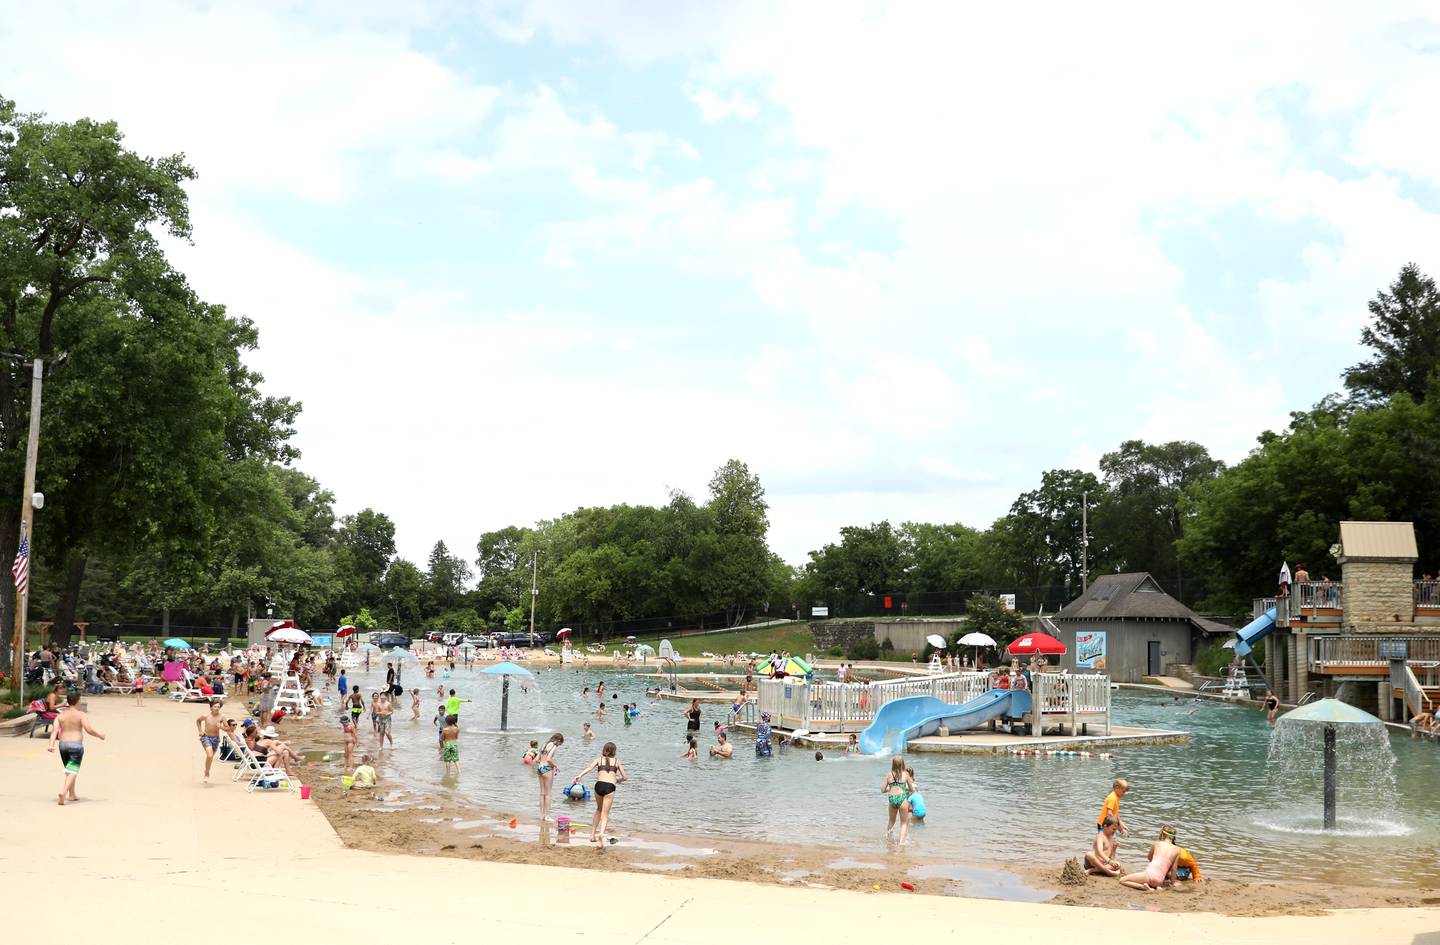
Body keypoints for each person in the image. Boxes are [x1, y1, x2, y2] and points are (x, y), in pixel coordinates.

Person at [48, 691, 104, 806]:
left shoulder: (60, 716)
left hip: (63, 745)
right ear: (78, 702)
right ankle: (63, 792)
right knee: (73, 770)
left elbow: (54, 732)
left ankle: (72, 794)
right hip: (75, 745)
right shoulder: (81, 715)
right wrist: (100, 735)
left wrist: (51, 745)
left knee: (70, 769)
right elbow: (89, 729)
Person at [572, 741, 628, 846]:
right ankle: (601, 833)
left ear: (604, 750)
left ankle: (592, 835)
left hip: (599, 785)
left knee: (598, 810)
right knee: (605, 814)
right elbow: (625, 777)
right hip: (610, 787)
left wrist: (579, 775)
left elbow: (589, 768)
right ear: (614, 752)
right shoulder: (616, 761)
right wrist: (617, 780)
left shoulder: (599, 759)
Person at [1119, 826, 1181, 891]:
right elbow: (1174, 869)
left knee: (1122, 880)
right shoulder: (1177, 849)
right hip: (1160, 880)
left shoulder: (1157, 844)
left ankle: (1143, 887)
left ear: (1163, 834)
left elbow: (1149, 857)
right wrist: (1173, 882)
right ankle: (1157, 887)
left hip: (1149, 875)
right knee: (1153, 880)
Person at [882, 755, 916, 845]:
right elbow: (912, 790)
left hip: (892, 798)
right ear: (902, 764)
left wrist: (891, 788)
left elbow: (882, 790)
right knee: (904, 823)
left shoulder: (889, 775)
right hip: (902, 798)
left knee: (891, 821)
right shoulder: (906, 774)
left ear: (893, 764)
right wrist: (905, 790)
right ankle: (901, 843)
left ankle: (888, 839)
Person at [535, 733, 564, 823]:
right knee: (548, 794)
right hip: (547, 769)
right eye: (560, 744)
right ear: (558, 740)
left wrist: (541, 763)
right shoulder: (553, 747)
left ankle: (541, 815)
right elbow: (548, 759)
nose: (558, 746)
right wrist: (555, 765)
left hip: (540, 768)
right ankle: (547, 816)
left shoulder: (544, 745)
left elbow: (536, 759)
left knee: (542, 793)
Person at [196, 699, 224, 781]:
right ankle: (207, 773)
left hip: (216, 739)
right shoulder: (206, 716)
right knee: (210, 755)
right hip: (206, 737)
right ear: (211, 707)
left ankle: (206, 771)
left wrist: (221, 727)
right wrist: (200, 731)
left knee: (210, 757)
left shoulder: (222, 717)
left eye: (218, 707)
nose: (217, 708)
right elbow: (198, 721)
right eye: (215, 707)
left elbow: (228, 728)